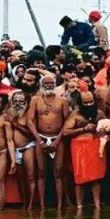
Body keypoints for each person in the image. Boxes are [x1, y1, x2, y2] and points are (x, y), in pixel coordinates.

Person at [28, 73, 69, 209]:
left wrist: (57, 140)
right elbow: (30, 121)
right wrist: (40, 140)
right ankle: (42, 205)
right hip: (41, 137)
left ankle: (59, 205)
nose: (49, 85)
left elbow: (66, 122)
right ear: (41, 85)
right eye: (46, 83)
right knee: (41, 171)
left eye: (51, 83)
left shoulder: (62, 101)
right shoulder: (35, 100)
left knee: (58, 171)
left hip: (58, 138)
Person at [62, 89, 107, 209]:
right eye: (85, 103)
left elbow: (108, 127)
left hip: (96, 147)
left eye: (91, 102)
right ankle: (79, 206)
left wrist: (104, 130)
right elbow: (65, 132)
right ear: (80, 103)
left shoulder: (99, 113)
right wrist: (83, 129)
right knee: (80, 178)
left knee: (96, 178)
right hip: (79, 148)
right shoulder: (75, 114)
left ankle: (97, 206)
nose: (89, 105)